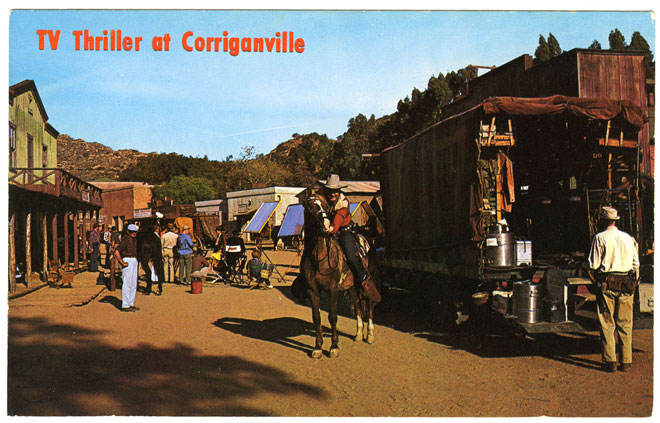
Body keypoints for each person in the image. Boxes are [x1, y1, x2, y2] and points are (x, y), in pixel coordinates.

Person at [588, 206, 640, 373]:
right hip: (626, 283)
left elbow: (593, 264)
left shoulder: (599, 238)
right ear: (615, 220)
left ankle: (610, 361)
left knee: (607, 323)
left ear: (602, 221)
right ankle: (626, 361)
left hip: (607, 284)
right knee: (625, 324)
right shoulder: (628, 239)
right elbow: (635, 264)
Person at [319, 174, 369, 286]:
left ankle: (363, 277)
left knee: (351, 256)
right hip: (330, 231)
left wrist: (331, 228)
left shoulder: (343, 203)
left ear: (339, 191)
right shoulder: (325, 201)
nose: (332, 193)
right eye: (330, 190)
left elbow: (338, 220)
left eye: (335, 191)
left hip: (344, 232)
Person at [114, 223, 140, 312]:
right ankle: (125, 305)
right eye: (132, 232)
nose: (134, 233)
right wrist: (122, 262)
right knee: (127, 283)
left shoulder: (134, 239)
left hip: (134, 260)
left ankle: (130, 303)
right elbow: (117, 251)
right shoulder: (126, 239)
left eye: (135, 232)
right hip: (128, 260)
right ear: (128, 232)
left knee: (133, 284)